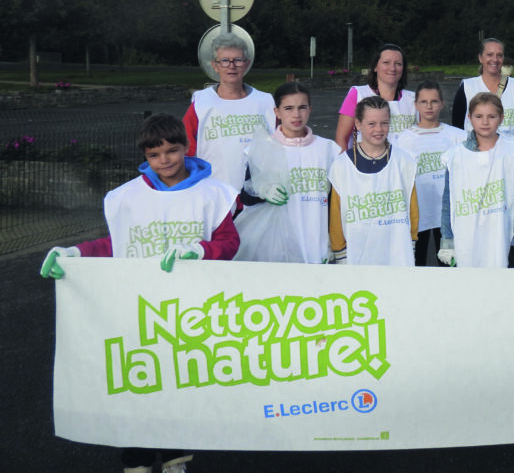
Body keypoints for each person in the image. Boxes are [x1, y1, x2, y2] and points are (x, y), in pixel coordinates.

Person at [40, 113, 239, 473]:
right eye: (154, 155)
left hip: (189, 306)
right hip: (137, 304)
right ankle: (137, 459)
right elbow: (116, 243)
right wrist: (75, 253)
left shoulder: (213, 193)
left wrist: (200, 250)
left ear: (185, 146)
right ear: (145, 156)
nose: (164, 160)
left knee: (179, 380)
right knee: (136, 380)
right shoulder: (127, 197)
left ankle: (175, 456)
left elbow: (229, 241)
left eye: (172, 151)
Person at [236, 82, 342, 264]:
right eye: (288, 108)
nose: (296, 115)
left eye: (302, 107)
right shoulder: (262, 148)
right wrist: (263, 191)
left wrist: (334, 243)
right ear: (277, 112)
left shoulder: (328, 149)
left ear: (310, 109)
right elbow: (246, 197)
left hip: (317, 244)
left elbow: (336, 202)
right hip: (277, 247)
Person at [438, 92, 514, 268]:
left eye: (491, 116)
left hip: (500, 237)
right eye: (478, 116)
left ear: (501, 118)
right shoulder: (454, 156)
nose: (485, 122)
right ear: (469, 118)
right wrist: (448, 240)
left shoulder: (513, 152)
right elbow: (448, 202)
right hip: (465, 237)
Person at [327, 95, 418, 266]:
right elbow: (336, 214)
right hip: (357, 255)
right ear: (357, 123)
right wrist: (339, 251)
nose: (379, 129)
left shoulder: (404, 161)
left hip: (397, 253)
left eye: (384, 123)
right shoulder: (341, 165)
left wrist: (411, 242)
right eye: (371, 124)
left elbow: (412, 209)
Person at [183, 33, 275, 199]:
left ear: (246, 64)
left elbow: (284, 145)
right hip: (214, 195)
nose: (231, 66)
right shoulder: (201, 103)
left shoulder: (265, 102)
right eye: (224, 60)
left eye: (237, 60)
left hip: (258, 197)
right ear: (215, 65)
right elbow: (185, 149)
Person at [395, 81, 466, 266]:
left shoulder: (458, 136)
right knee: (416, 265)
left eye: (434, 101)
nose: (429, 106)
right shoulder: (401, 140)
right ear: (416, 104)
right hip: (417, 213)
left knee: (449, 265)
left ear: (442, 104)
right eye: (424, 101)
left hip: (448, 214)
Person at [451, 38, 514, 154]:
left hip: (510, 156)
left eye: (499, 55)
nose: (495, 59)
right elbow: (457, 126)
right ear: (480, 58)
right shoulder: (467, 87)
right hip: (475, 156)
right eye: (489, 55)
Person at [334, 43, 417, 150]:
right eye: (386, 62)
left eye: (398, 64)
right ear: (375, 67)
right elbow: (341, 138)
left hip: (404, 160)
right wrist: (344, 160)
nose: (392, 68)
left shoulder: (413, 99)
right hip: (363, 159)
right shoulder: (358, 94)